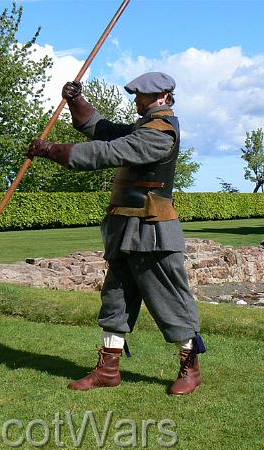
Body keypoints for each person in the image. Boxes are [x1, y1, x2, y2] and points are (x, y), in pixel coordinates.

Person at [27, 72, 205, 395]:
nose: (137, 99)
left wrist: (53, 150)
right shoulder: (142, 128)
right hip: (125, 228)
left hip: (154, 231)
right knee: (115, 298)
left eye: (143, 96)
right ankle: (108, 370)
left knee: (169, 299)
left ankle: (190, 367)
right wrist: (76, 101)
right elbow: (104, 131)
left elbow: (108, 152)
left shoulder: (160, 133)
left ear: (163, 97)